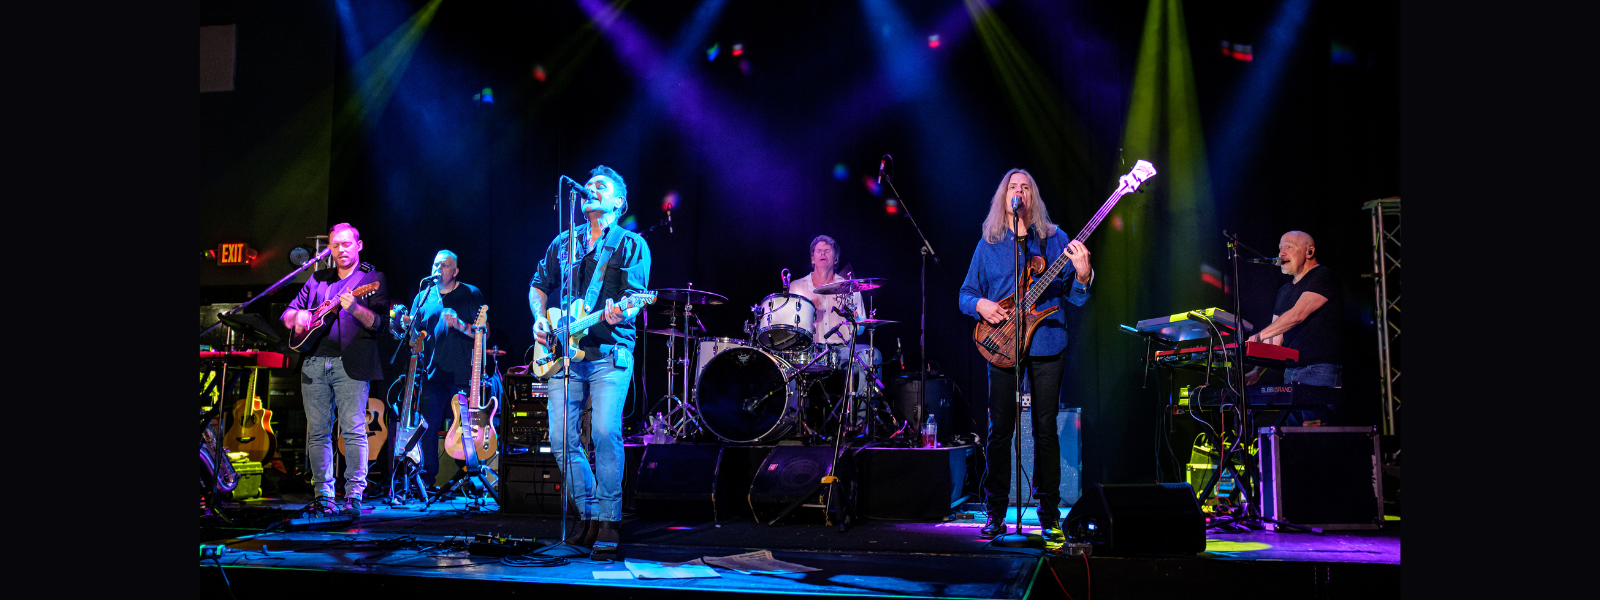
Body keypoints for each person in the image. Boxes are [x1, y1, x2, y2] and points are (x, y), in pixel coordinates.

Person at [958, 169, 1092, 541]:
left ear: (1033, 198)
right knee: (1000, 430)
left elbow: (1075, 298)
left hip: (1048, 341)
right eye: (1013, 188)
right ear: (1004, 198)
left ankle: (1049, 514)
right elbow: (965, 294)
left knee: (1045, 429)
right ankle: (995, 512)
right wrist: (981, 305)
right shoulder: (989, 244)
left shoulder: (1055, 239)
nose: (1019, 192)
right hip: (1001, 343)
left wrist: (1083, 277)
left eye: (1026, 187)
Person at [529, 165, 651, 551]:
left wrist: (623, 311)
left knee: (603, 433)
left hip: (609, 353)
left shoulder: (630, 244)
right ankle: (589, 513)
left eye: (602, 186)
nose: (591, 190)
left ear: (619, 202)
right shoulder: (563, 242)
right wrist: (539, 320)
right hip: (563, 354)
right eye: (590, 185)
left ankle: (610, 520)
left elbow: (635, 299)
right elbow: (537, 285)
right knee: (561, 440)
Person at [281, 223, 390, 518]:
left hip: (350, 365)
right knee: (317, 434)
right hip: (314, 363)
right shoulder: (318, 279)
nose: (341, 250)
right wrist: (298, 315)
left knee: (353, 431)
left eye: (346, 244)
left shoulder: (371, 279)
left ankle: (354, 494)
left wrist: (354, 308)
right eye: (335, 245)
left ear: (359, 245)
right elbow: (287, 314)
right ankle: (323, 495)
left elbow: (380, 325)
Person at [1245, 231, 1345, 425]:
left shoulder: (1323, 276)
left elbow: (1298, 315)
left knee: (1317, 440)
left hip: (1319, 371)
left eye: (1289, 246)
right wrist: (1258, 369)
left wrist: (1259, 336)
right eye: (1280, 247)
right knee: (1294, 440)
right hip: (1290, 372)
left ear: (1309, 251)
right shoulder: (1284, 291)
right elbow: (1277, 338)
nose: (1281, 253)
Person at [408, 250, 487, 489]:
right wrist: (407, 329)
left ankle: (469, 478)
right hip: (432, 375)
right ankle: (427, 480)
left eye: (444, 265)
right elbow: (414, 340)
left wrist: (461, 325)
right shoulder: (423, 297)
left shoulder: (470, 293)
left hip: (463, 376)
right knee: (428, 429)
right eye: (435, 264)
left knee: (466, 430)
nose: (438, 268)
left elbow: (483, 333)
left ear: (455, 271)